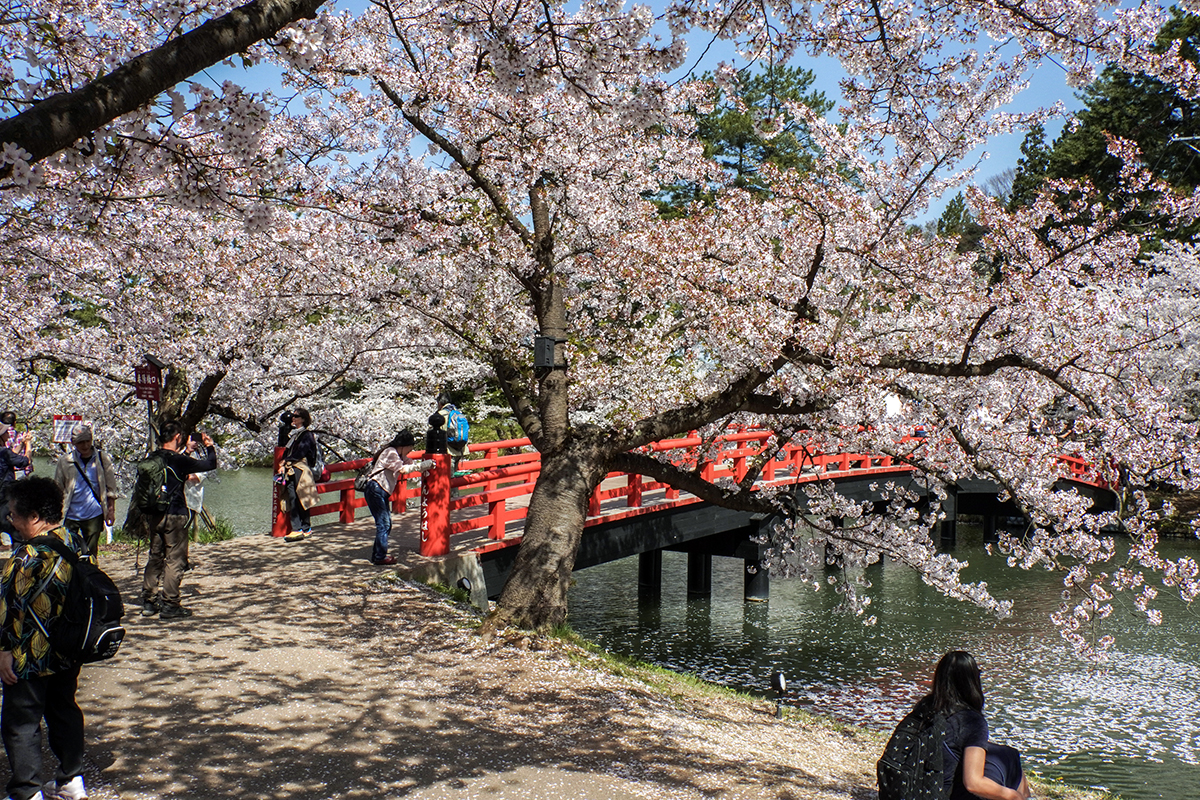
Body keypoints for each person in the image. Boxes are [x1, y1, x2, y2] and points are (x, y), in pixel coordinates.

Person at [0, 477, 90, 800]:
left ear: (35, 517)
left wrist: (4, 651)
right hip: (68, 648)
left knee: (21, 722)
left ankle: (27, 791)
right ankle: (71, 780)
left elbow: (9, 608)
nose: (11, 520)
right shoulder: (75, 542)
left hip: (31, 655)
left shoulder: (26, 557)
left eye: (13, 515)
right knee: (64, 710)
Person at [922, 650, 1032, 800]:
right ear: (972, 681)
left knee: (1008, 753)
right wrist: (1013, 796)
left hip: (915, 790)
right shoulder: (971, 721)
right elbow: (973, 783)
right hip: (944, 795)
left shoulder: (923, 710)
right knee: (1010, 759)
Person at [141, 421, 217, 620]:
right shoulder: (179, 460)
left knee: (155, 556)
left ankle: (149, 601)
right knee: (175, 559)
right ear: (177, 438)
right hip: (175, 514)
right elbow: (210, 464)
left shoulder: (152, 457)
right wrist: (209, 446)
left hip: (155, 514)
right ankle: (170, 603)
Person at [361, 430, 430, 566]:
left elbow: (410, 464)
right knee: (384, 524)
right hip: (376, 489)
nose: (411, 450)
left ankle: (378, 554)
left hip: (380, 490)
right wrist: (423, 466)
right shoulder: (391, 453)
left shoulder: (398, 454)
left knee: (385, 524)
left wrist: (424, 465)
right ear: (404, 445)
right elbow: (403, 469)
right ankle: (380, 556)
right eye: (410, 447)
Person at [53, 424, 117, 563]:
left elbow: (111, 488)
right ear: (73, 443)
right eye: (81, 442)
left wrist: (110, 510)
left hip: (94, 512)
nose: (85, 445)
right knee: (67, 551)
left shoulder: (102, 458)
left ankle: (91, 579)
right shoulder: (65, 461)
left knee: (91, 552)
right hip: (70, 513)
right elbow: (57, 488)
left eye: (88, 441)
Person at [276, 409, 318, 542]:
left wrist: (286, 461)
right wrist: (283, 463)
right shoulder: (294, 435)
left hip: (299, 467)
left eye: (296, 416)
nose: (293, 418)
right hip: (291, 467)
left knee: (299, 496)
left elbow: (303, 451)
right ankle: (300, 528)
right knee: (294, 496)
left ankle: (302, 528)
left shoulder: (306, 435)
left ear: (303, 419)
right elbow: (287, 451)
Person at [0, 420, 33, 546]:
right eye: (5, 432)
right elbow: (25, 461)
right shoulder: (4, 452)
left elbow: (10, 456)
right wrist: (28, 445)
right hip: (5, 495)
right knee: (12, 527)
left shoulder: (4, 453)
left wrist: (22, 444)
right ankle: (18, 557)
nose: (8, 434)